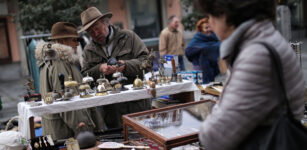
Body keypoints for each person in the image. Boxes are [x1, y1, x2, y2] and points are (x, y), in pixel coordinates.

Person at [197, 0, 305, 149]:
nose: (210, 22)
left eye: (210, 16)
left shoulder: (256, 55)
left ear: (224, 14)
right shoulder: (263, 40)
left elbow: (214, 137)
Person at [80, 7, 152, 129]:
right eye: (91, 32)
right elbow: (85, 75)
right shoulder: (88, 50)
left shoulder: (129, 37)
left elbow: (147, 62)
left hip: (136, 105)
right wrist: (100, 69)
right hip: (111, 111)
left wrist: (125, 66)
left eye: (97, 28)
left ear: (106, 22)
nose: (95, 34)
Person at [35, 22, 104, 140]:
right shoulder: (59, 62)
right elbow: (65, 102)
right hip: (69, 134)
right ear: (62, 41)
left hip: (60, 131)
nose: (77, 44)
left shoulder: (51, 59)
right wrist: (82, 130)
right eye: (74, 40)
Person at [185, 17, 221, 83]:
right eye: (206, 28)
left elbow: (218, 46)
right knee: (202, 88)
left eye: (210, 27)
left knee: (211, 87)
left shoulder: (214, 37)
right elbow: (188, 51)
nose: (209, 29)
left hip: (211, 67)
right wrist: (201, 49)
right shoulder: (197, 38)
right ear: (201, 30)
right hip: (199, 68)